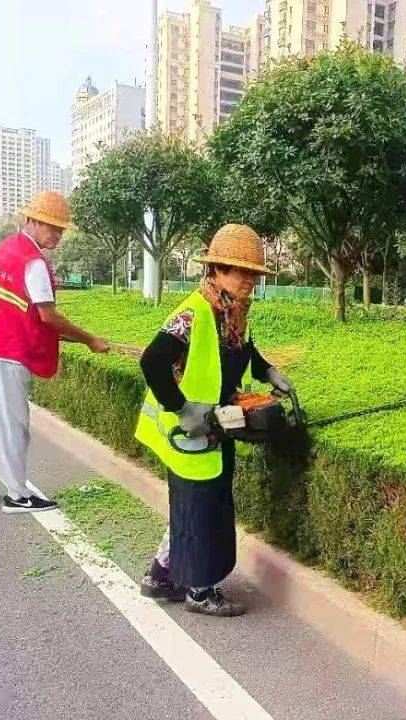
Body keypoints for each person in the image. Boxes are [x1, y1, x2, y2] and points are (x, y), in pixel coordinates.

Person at [135, 224, 295, 617]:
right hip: (189, 429)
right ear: (217, 271)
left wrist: (268, 370)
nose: (248, 281)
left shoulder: (234, 312)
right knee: (202, 507)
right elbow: (151, 360)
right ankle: (201, 592)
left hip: (213, 425)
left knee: (193, 505)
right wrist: (182, 408)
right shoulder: (194, 312)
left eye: (252, 274)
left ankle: (161, 575)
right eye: (238, 271)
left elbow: (244, 349)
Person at [0, 191, 110, 512]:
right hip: (7, 350)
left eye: (61, 229)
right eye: (52, 227)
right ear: (32, 221)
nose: (58, 235)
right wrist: (90, 339)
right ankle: (18, 495)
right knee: (13, 423)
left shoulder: (9, 247)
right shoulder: (34, 262)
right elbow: (48, 316)